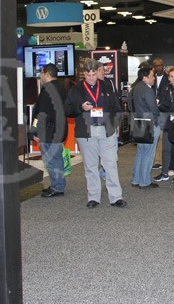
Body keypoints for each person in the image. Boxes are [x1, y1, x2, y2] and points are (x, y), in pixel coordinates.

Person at [66, 58, 125, 208]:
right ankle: (93, 197)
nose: (91, 78)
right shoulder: (76, 89)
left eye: (93, 74)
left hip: (106, 131)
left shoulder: (106, 86)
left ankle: (116, 197)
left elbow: (117, 108)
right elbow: (68, 110)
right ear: (83, 74)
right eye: (88, 75)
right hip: (86, 132)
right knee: (90, 166)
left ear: (97, 72)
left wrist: (113, 124)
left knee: (110, 164)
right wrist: (80, 107)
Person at [33, 63, 68, 198]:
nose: (40, 76)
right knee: (56, 158)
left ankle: (57, 187)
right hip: (58, 129)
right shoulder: (61, 88)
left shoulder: (47, 90)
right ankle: (57, 183)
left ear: (46, 73)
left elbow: (42, 113)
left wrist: (36, 131)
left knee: (52, 160)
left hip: (48, 131)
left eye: (41, 73)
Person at [130, 63, 161, 189]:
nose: (154, 78)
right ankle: (144, 181)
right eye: (152, 76)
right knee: (149, 154)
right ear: (145, 78)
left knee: (141, 152)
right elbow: (154, 109)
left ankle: (136, 179)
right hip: (150, 124)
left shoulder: (135, 88)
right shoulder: (147, 90)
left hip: (139, 122)